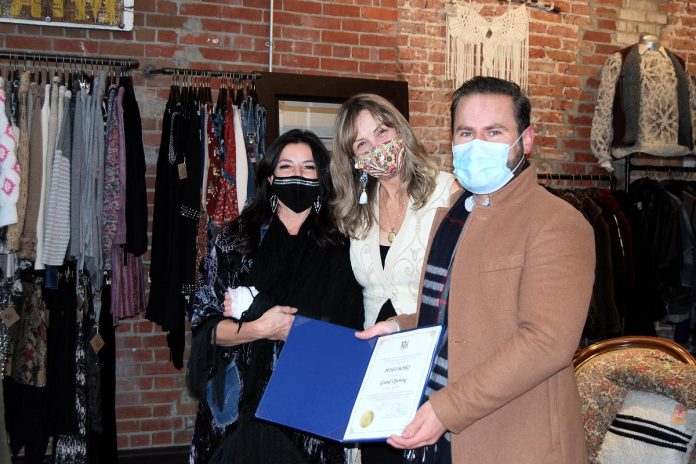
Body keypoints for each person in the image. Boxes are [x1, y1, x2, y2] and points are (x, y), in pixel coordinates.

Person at [359, 76, 596, 463]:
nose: (477, 145)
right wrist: (400, 325)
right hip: (440, 429)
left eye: (494, 132)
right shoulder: (453, 214)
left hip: (515, 437)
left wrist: (447, 409)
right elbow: (459, 308)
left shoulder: (557, 222)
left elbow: (545, 342)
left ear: (527, 140)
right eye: (466, 132)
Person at [187, 129, 364, 464]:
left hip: (312, 410)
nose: (297, 175)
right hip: (240, 408)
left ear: (321, 177)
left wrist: (284, 324)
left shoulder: (344, 245)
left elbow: (351, 332)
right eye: (285, 167)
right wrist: (261, 328)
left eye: (308, 167)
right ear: (270, 177)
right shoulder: (234, 240)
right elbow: (205, 325)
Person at [330, 93, 458, 464]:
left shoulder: (447, 192)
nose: (377, 147)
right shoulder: (356, 211)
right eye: (362, 143)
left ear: (399, 130)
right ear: (353, 157)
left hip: (432, 358)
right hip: (376, 367)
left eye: (382, 133)